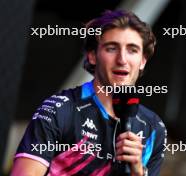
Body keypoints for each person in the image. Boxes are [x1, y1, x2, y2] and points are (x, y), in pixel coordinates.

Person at [11, 10, 167, 176]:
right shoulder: (59, 109)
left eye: (132, 50)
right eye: (112, 48)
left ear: (142, 61)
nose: (122, 59)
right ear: (92, 56)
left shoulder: (154, 127)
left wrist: (137, 172)